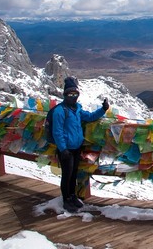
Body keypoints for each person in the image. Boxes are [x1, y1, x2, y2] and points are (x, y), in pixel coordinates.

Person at [51, 76, 109, 213]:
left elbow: (89, 117)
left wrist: (103, 110)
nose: (73, 96)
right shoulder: (60, 111)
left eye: (75, 94)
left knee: (74, 173)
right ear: (65, 95)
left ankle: (72, 196)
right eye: (70, 94)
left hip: (76, 147)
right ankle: (66, 200)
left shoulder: (77, 109)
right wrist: (63, 149)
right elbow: (57, 132)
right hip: (66, 149)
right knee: (67, 175)